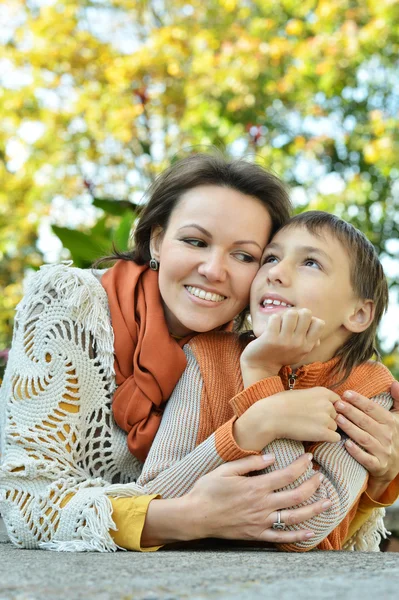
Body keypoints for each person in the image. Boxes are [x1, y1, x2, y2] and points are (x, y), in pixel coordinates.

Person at [0, 153, 398, 552]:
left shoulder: (250, 345)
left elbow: (315, 526)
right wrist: (189, 516)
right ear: (157, 240)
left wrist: (383, 476)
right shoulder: (73, 305)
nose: (213, 269)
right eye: (195, 241)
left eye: (245, 256)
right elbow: (24, 497)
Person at [136, 211, 399, 551]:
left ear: (359, 313)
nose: (275, 272)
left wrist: (261, 378)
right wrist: (262, 385)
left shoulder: (366, 388)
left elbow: (310, 522)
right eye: (271, 257)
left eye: (311, 263)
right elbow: (152, 495)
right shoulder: (206, 356)